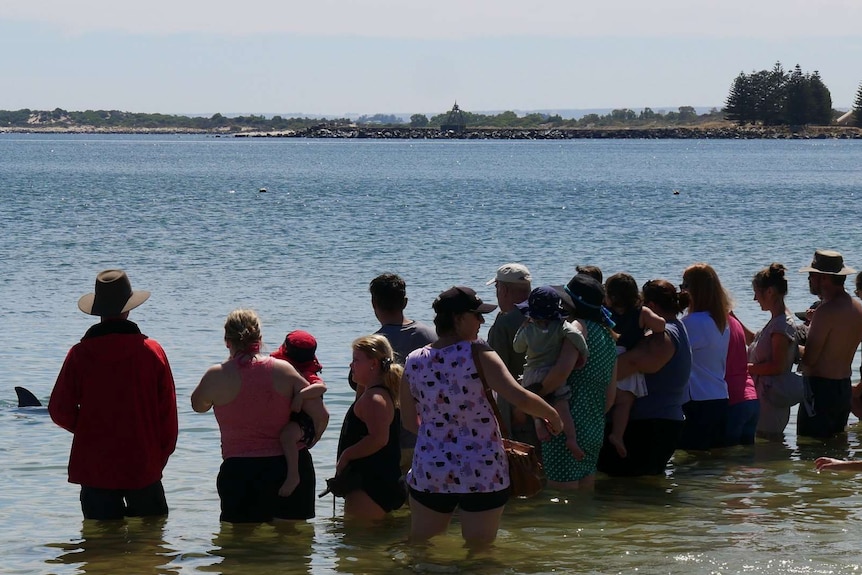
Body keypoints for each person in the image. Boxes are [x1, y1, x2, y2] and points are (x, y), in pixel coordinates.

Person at [400, 286, 562, 548]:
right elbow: (518, 396)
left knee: (421, 545)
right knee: (480, 551)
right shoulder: (478, 352)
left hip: (431, 468)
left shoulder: (415, 360)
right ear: (458, 318)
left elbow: (409, 421)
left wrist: (440, 441)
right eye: (477, 315)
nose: (482, 321)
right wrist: (552, 414)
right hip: (482, 469)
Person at [49, 269, 178, 520]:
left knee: (99, 548)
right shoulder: (152, 352)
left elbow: (58, 411)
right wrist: (158, 457)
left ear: (98, 311)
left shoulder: (79, 354)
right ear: (128, 308)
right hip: (143, 464)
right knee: (151, 547)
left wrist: (89, 428)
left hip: (95, 468)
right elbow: (168, 416)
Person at [191, 309, 329, 523]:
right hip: (288, 466)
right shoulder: (285, 370)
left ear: (227, 341)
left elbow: (198, 406)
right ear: (260, 339)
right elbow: (321, 415)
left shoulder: (215, 375)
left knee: (240, 550)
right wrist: (309, 440)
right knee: (291, 549)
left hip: (240, 470)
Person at [598, 280, 692, 476]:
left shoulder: (665, 336)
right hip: (659, 422)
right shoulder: (676, 327)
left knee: (628, 486)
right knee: (640, 487)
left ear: (650, 306)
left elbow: (633, 363)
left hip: (651, 424)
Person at [533, 274, 616, 489]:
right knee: (584, 496)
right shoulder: (608, 334)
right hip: (594, 427)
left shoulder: (577, 329)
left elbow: (562, 371)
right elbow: (610, 396)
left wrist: (535, 396)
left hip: (564, 427)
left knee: (562, 502)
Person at [368, 273, 437, 471]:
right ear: (405, 302)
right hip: (429, 435)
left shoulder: (373, 345)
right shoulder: (430, 335)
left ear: (374, 303)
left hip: (391, 440)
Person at [334, 334, 406, 520]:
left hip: (369, 486)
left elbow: (378, 439)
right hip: (377, 480)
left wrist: (346, 455)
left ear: (373, 364)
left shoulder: (375, 399)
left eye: (356, 360)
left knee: (360, 541)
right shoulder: (376, 393)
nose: (351, 366)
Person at [512, 285, 589, 459]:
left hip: (531, 372)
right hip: (551, 372)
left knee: (534, 403)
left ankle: (539, 424)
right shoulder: (561, 326)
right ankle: (571, 439)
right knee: (562, 406)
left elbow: (517, 347)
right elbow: (576, 336)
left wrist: (523, 327)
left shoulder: (529, 328)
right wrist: (584, 354)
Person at [798, 249, 862, 438]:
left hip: (820, 390)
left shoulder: (826, 311)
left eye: (812, 275)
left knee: (809, 450)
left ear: (824, 277)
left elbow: (810, 359)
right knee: (836, 448)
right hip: (843, 388)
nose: (809, 280)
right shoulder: (858, 309)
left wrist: (792, 346)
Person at [604, 272, 666, 457]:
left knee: (604, 401)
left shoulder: (604, 311)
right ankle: (617, 435)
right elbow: (661, 325)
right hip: (627, 356)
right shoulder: (642, 312)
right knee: (625, 401)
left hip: (607, 357)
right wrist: (646, 336)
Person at [741, 263, 798, 439]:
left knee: (768, 451)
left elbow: (777, 367)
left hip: (772, 402)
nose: (754, 298)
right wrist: (730, 317)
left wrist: (745, 368)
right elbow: (752, 339)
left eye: (756, 292)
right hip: (764, 399)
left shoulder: (782, 324)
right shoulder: (775, 322)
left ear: (770, 292)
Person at [678, 263, 731, 451]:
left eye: (684, 286)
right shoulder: (721, 322)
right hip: (719, 397)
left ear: (695, 290)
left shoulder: (692, 322)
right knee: (713, 463)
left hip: (698, 401)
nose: (681, 291)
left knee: (689, 464)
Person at [270, 330, 328, 497]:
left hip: (305, 421)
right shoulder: (278, 366)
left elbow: (321, 387)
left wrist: (301, 395)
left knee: (287, 436)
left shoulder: (307, 373)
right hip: (294, 419)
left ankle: (293, 476)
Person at [486, 263, 534, 444]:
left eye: (497, 288)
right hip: (550, 402)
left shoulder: (505, 323)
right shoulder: (548, 314)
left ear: (504, 289)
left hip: (517, 410)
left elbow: (496, 373)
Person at [723, 312, 758, 446]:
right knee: (746, 458)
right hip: (752, 399)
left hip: (734, 398)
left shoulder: (716, 325)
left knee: (727, 458)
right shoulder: (735, 323)